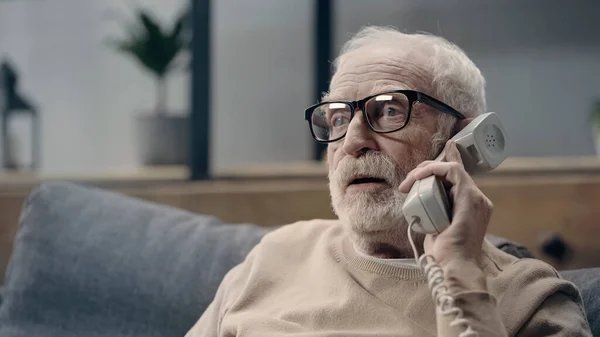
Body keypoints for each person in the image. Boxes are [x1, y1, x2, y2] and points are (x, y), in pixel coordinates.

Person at [186, 26, 592, 337]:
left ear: (463, 140)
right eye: (340, 117)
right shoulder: (273, 255)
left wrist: (459, 276)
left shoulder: (532, 299)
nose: (354, 142)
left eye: (388, 111)